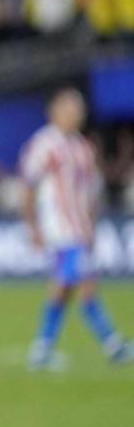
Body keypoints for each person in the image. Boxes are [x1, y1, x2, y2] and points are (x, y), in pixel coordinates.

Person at [20, 88, 132, 369]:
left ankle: (43, 347)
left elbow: (90, 193)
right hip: (60, 228)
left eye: (78, 108)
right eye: (69, 108)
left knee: (66, 285)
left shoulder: (83, 147)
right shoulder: (45, 144)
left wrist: (91, 228)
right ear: (54, 111)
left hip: (79, 228)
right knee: (82, 283)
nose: (75, 113)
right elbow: (28, 186)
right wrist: (32, 225)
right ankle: (111, 343)